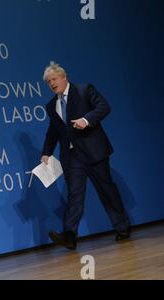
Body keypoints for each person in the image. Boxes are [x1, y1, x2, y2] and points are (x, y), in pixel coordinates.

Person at [41, 61, 131, 250]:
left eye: (54, 79)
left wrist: (86, 120)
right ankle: (70, 236)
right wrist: (46, 153)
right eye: (48, 82)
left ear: (64, 77)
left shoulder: (84, 90)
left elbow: (103, 107)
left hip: (94, 151)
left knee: (107, 190)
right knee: (74, 195)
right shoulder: (51, 106)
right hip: (72, 157)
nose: (52, 84)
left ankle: (122, 227)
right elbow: (53, 131)